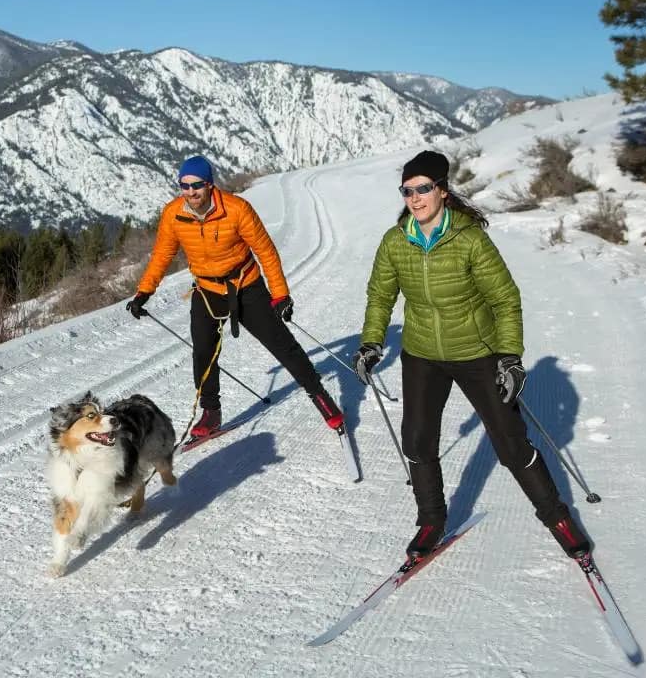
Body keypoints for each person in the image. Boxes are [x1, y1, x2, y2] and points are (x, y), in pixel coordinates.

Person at [352, 150, 592, 560]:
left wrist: (510, 357)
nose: (415, 197)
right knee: (418, 440)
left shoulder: (469, 239)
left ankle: (558, 518)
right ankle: (431, 520)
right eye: (408, 190)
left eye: (424, 188)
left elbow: (505, 299)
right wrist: (372, 342)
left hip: (476, 353)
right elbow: (380, 296)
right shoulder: (396, 241)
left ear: (442, 191)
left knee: (511, 444)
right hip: (422, 354)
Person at [125, 155, 344, 438]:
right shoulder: (173, 214)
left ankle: (319, 395)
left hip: (246, 286)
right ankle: (210, 413)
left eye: (197, 185)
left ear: (210, 184)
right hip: (206, 290)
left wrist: (280, 295)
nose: (191, 192)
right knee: (203, 352)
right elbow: (163, 255)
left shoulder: (237, 209)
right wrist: (144, 291)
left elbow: (266, 251)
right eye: (185, 186)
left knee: (282, 345)